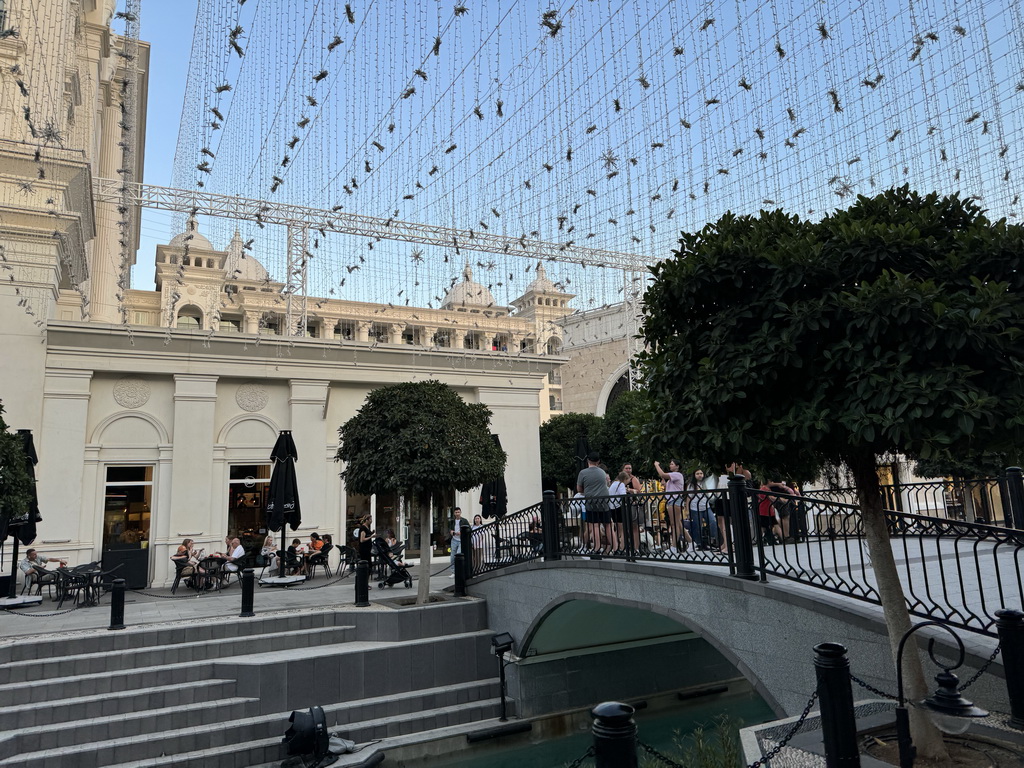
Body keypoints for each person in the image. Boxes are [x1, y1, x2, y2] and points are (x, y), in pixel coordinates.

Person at [577, 452, 613, 554]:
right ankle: (616, 547)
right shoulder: (602, 472)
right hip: (604, 501)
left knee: (595, 526)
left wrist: (587, 490)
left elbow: (579, 489)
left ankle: (597, 548)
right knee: (607, 525)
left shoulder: (583, 473)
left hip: (591, 502)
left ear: (588, 461)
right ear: (598, 462)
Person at [654, 459, 690, 553]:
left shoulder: (677, 474)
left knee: (675, 524)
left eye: (672, 464)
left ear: (677, 466)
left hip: (674, 500)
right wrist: (665, 485)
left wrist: (657, 465)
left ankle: (674, 546)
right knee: (678, 523)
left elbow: (662, 474)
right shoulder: (674, 477)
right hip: (671, 500)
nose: (670, 465)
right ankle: (690, 542)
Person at [686, 469, 717, 550]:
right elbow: (688, 498)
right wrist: (687, 510)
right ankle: (698, 543)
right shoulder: (691, 485)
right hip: (695, 508)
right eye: (697, 473)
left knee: (712, 522)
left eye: (701, 473)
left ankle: (712, 540)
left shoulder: (705, 483)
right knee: (697, 526)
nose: (699, 475)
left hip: (706, 506)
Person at [608, 472, 628, 553]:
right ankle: (622, 548)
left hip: (612, 507)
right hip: (619, 507)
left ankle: (616, 547)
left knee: (616, 529)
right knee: (622, 530)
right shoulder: (621, 484)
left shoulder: (613, 484)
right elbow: (623, 495)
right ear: (624, 479)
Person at [449, 507, 466, 576]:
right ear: (454, 513)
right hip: (454, 540)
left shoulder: (464, 520)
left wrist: (461, 532)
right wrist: (451, 532)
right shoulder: (452, 521)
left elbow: (469, 530)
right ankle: (453, 572)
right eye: (456, 512)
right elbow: (449, 529)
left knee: (458, 555)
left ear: (460, 512)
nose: (457, 514)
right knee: (452, 556)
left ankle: (459, 571)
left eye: (458, 512)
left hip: (461, 540)